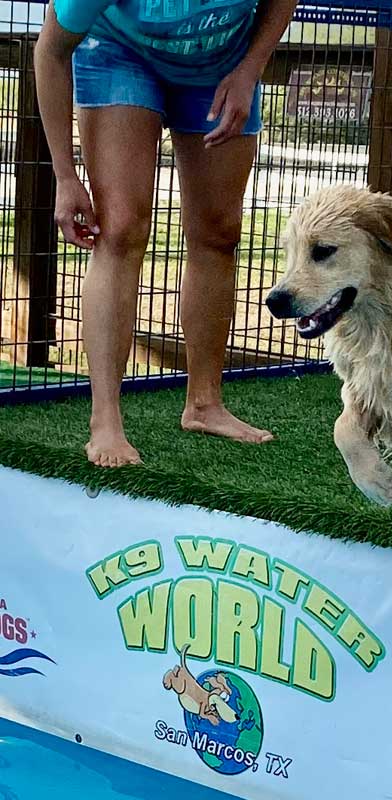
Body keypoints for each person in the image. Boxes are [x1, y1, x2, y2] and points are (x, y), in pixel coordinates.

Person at [34, 0, 297, 467]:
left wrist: (250, 71)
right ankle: (106, 422)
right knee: (119, 230)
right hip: (120, 54)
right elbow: (51, 51)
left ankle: (205, 404)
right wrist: (65, 176)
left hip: (220, 62)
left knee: (219, 232)